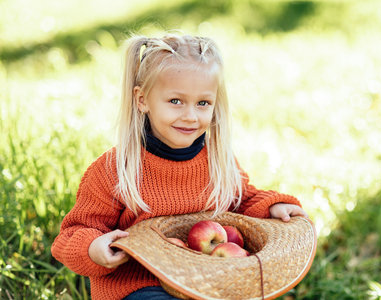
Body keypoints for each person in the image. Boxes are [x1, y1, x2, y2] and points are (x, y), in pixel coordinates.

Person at [51, 33, 308, 300]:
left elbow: (243, 200)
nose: (190, 116)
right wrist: (93, 247)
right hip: (140, 285)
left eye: (203, 103)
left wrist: (273, 205)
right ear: (142, 100)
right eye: (175, 101)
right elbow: (72, 234)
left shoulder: (217, 160)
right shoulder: (115, 169)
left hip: (206, 282)